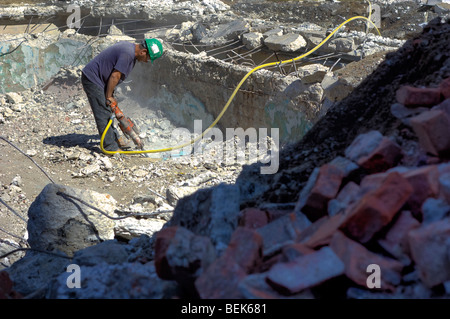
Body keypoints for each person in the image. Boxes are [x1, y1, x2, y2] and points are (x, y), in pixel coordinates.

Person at [81, 38, 164, 152]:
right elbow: (115, 76)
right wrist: (109, 96)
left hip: (100, 80)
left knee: (108, 110)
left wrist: (110, 97)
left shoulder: (129, 49)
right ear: (143, 52)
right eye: (148, 58)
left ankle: (114, 138)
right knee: (103, 112)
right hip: (93, 79)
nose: (146, 61)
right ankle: (110, 148)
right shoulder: (128, 54)